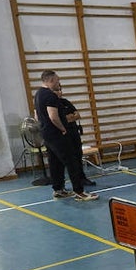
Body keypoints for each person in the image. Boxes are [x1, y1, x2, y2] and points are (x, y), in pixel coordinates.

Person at [34, 70, 97, 201]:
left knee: (55, 162)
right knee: (72, 161)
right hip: (56, 134)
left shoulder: (38, 94)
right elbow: (53, 116)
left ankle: (58, 190)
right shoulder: (50, 96)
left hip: (46, 134)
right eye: (57, 81)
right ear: (51, 81)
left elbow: (36, 116)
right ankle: (80, 192)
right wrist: (62, 129)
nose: (59, 84)